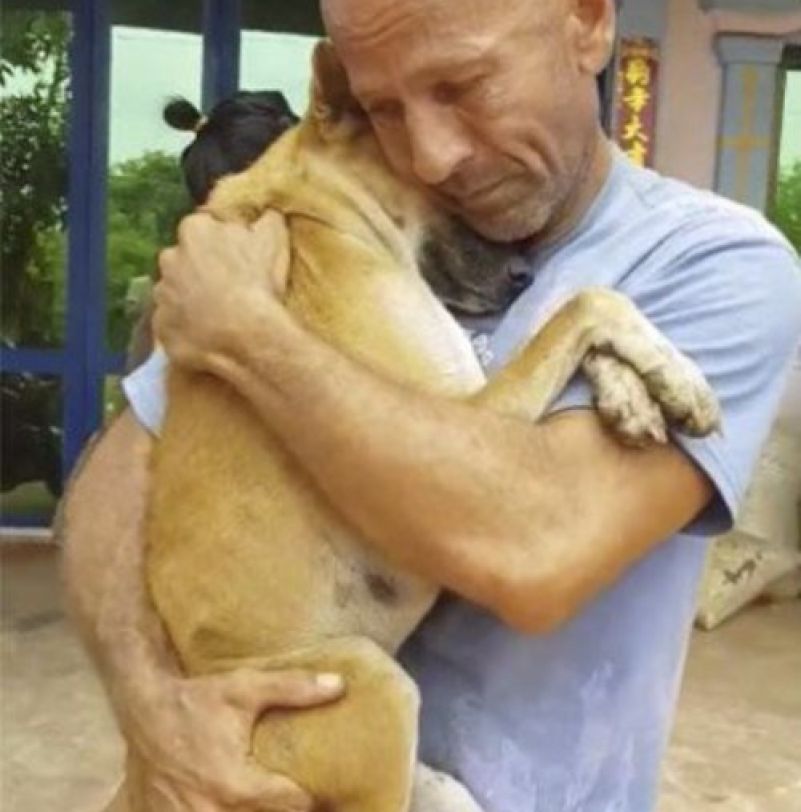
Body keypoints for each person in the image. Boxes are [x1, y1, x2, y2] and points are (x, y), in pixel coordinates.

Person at [62, 0, 801, 810]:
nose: (430, 155)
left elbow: (533, 552)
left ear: (587, 22)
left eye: (463, 84)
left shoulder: (712, 264)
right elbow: (108, 493)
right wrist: (152, 704)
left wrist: (250, 335)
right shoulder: (310, 221)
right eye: (383, 107)